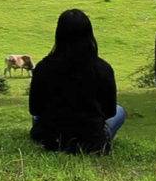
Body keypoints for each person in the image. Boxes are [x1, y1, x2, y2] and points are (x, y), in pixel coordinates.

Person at [29, 9, 125, 154]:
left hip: (52, 138)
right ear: (89, 34)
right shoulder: (103, 68)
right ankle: (100, 139)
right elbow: (110, 111)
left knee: (39, 117)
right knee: (120, 111)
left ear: (59, 34)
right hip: (90, 139)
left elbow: (35, 109)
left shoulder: (43, 67)